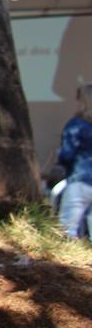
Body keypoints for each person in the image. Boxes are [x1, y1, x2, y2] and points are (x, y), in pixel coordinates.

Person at [54, 82, 92, 238]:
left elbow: (67, 154)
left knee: (67, 228)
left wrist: (59, 162)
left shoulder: (76, 125)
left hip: (80, 179)